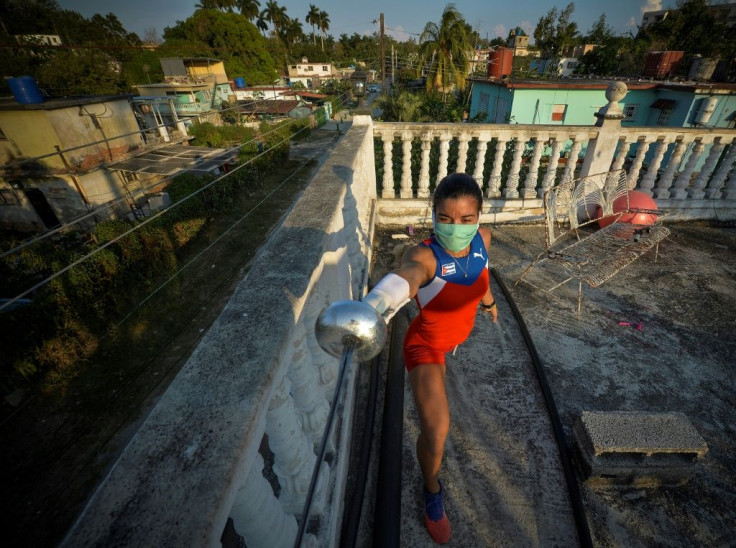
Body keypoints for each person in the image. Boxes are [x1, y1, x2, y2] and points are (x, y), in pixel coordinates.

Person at [363, 172, 497, 544]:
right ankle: (433, 490)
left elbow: (481, 274)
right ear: (434, 215)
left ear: (479, 218)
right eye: (446, 219)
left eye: (467, 219)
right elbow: (407, 276)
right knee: (437, 430)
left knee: (437, 426)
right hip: (426, 346)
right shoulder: (424, 255)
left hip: (455, 337)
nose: (457, 227)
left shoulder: (483, 241)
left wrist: (488, 302)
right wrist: (375, 304)